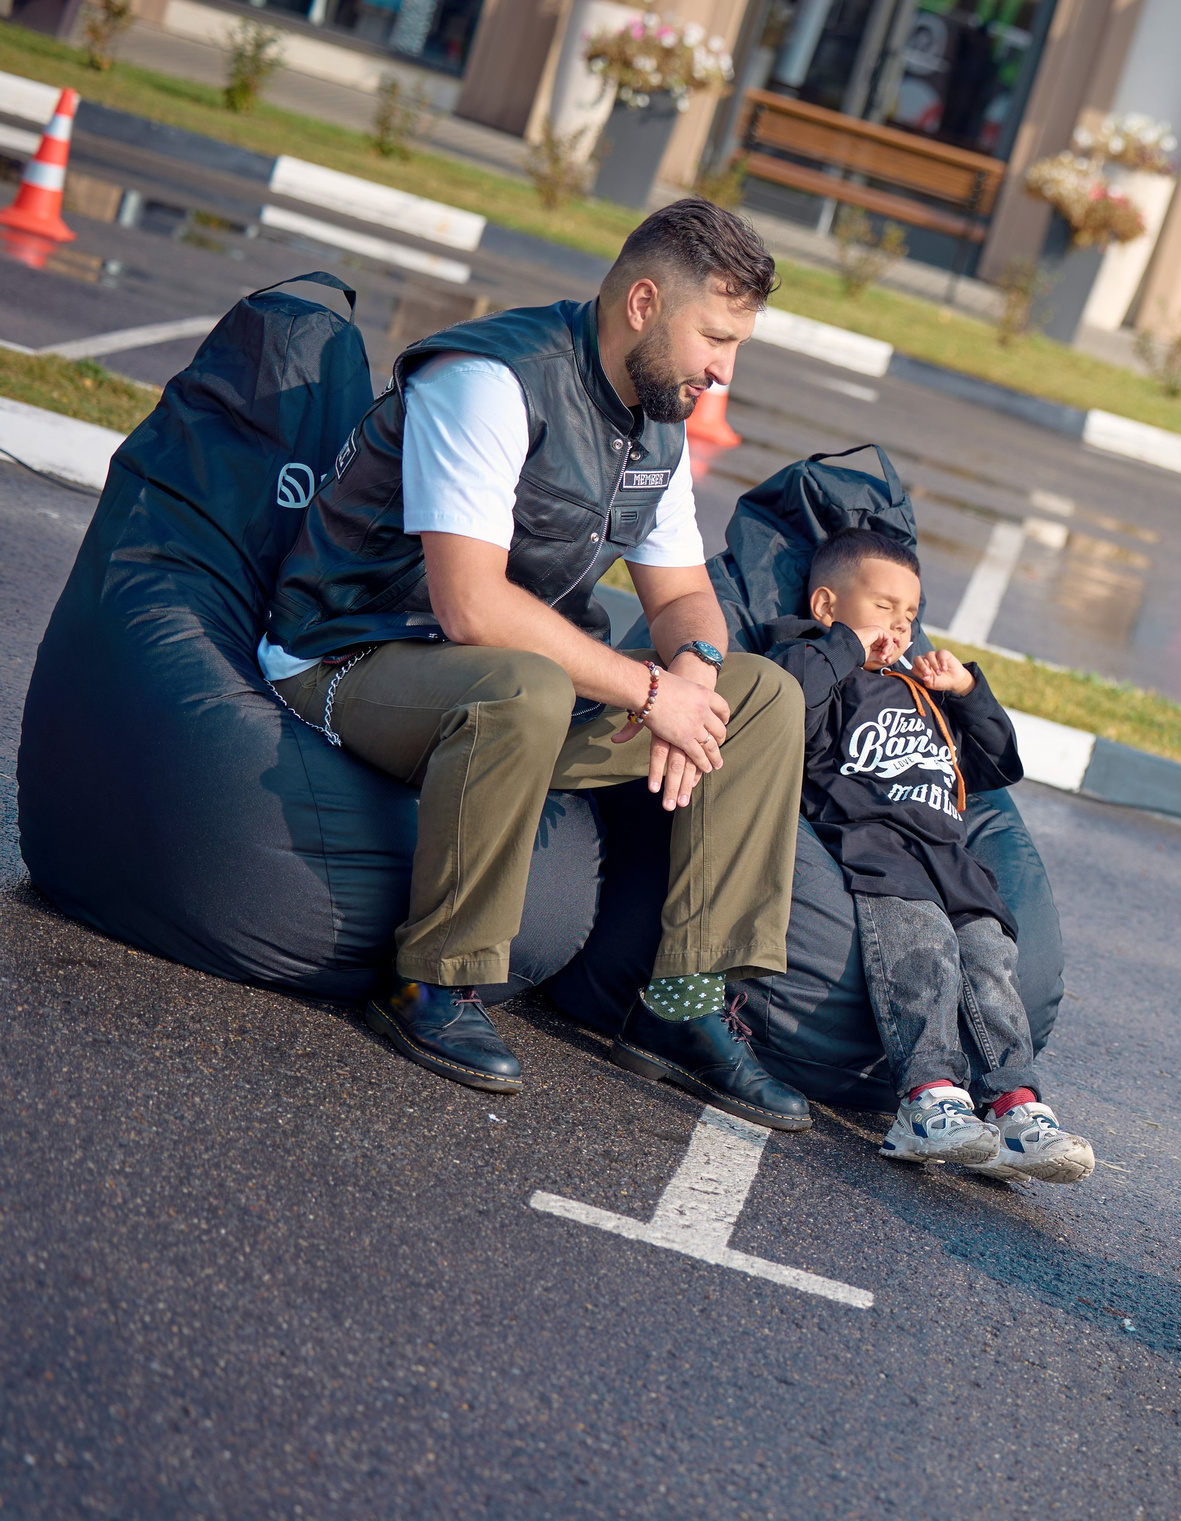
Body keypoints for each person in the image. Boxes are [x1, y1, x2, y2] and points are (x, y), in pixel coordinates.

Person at [260, 199, 810, 1131]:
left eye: (736, 346)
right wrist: (648, 691)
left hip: (511, 696)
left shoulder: (658, 418)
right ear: (643, 303)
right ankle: (431, 983)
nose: (724, 370)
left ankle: (681, 1007)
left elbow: (683, 595)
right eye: (715, 339)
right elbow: (469, 606)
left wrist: (696, 671)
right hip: (352, 656)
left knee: (761, 696)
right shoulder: (492, 379)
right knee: (528, 682)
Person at [764, 528, 1094, 1184]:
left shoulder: (920, 689)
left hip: (947, 853)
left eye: (909, 615)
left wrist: (966, 690)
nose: (899, 625)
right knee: (922, 947)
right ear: (827, 606)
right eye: (883, 607)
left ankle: (1015, 1106)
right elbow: (785, 705)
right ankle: (928, 1100)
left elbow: (1001, 764)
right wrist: (844, 646)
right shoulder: (814, 663)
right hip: (875, 842)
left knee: (990, 955)